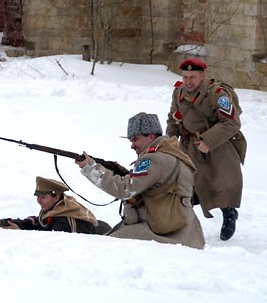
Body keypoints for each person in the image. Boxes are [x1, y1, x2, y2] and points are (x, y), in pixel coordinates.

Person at [75, 112, 205, 249]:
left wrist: (90, 168)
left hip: (164, 235)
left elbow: (125, 189)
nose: (132, 145)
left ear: (151, 136)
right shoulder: (172, 152)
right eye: (131, 140)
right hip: (185, 232)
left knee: (104, 246)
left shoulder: (153, 159)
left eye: (135, 139)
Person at [165, 58, 245, 241]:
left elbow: (232, 122)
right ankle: (181, 221)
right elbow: (173, 118)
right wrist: (171, 140)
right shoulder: (178, 92)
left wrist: (208, 141)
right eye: (185, 77)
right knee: (186, 185)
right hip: (189, 145)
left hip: (219, 145)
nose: (188, 81)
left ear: (202, 76)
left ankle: (229, 214)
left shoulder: (217, 94)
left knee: (223, 184)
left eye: (192, 77)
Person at [0, 176, 105, 234]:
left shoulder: (64, 220)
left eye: (43, 197)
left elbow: (50, 242)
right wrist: (27, 223)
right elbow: (46, 223)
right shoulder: (60, 208)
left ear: (56, 197)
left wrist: (21, 233)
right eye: (38, 197)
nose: (39, 201)